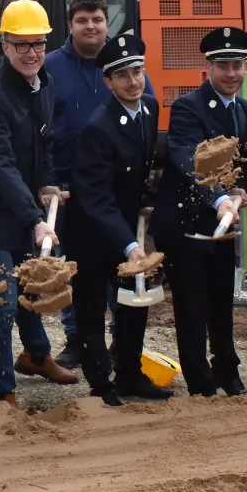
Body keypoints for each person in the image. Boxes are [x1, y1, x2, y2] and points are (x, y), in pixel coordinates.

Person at [0, 0, 79, 405]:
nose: (31, 52)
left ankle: (37, 356)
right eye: (21, 44)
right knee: (5, 296)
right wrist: (34, 218)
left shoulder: (43, 84)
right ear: (4, 46)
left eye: (38, 43)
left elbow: (44, 144)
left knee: (32, 287)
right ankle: (1, 390)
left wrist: (47, 184)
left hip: (22, 203)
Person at [44, 0, 154, 368]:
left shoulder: (130, 69)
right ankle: (78, 339)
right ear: (70, 25)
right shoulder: (51, 67)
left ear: (108, 23)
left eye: (97, 19)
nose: (90, 26)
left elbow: (148, 129)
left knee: (120, 272)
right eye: (82, 20)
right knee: (79, 274)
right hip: (67, 190)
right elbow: (42, 127)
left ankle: (117, 348)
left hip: (114, 192)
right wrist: (49, 180)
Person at [150, 26, 247, 398]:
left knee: (221, 304)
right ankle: (201, 385)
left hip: (222, 225)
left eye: (238, 65)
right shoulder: (187, 107)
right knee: (192, 309)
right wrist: (219, 198)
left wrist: (241, 191)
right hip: (186, 226)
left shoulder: (244, 109)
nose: (231, 73)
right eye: (224, 65)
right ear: (208, 68)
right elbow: (187, 160)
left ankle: (228, 373)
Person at [61, 33, 166, 405]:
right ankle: (100, 382)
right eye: (122, 75)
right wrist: (130, 244)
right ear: (108, 82)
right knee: (91, 307)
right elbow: (95, 197)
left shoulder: (150, 108)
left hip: (127, 225)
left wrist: (148, 200)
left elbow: (143, 166)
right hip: (92, 232)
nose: (133, 81)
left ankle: (130, 374)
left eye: (137, 72)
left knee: (134, 302)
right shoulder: (98, 127)